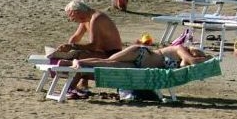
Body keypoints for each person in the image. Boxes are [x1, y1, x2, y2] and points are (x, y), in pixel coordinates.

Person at [56, 0, 123, 94]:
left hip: (112, 55)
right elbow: (76, 37)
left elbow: (93, 45)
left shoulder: (96, 18)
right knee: (74, 55)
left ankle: (70, 88)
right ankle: (81, 84)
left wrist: (72, 47)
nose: (71, 19)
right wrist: (67, 50)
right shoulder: (86, 19)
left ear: (77, 12)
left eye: (71, 15)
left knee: (80, 56)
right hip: (100, 53)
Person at [72, 44, 209, 70]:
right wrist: (207, 59)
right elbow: (192, 61)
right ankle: (78, 61)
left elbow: (185, 64)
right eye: (198, 54)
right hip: (141, 53)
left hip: (141, 66)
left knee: (109, 65)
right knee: (108, 60)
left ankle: (79, 63)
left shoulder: (183, 59)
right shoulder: (180, 49)